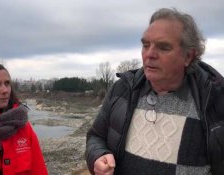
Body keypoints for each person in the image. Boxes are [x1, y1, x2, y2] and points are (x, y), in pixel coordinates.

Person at [85, 8, 224, 175]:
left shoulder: (215, 98)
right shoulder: (122, 90)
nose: (149, 54)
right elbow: (95, 137)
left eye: (163, 47)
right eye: (145, 45)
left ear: (188, 56)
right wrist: (98, 156)